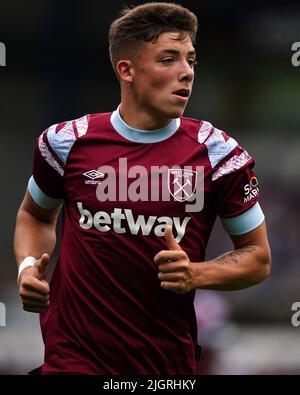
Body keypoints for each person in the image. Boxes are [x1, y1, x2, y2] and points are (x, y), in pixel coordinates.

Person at [14, 2, 271, 375]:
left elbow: (258, 258)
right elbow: (35, 215)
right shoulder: (66, 142)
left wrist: (195, 274)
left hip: (164, 368)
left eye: (191, 60)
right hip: (72, 361)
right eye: (169, 59)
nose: (186, 73)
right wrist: (26, 267)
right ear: (127, 70)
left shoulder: (219, 154)